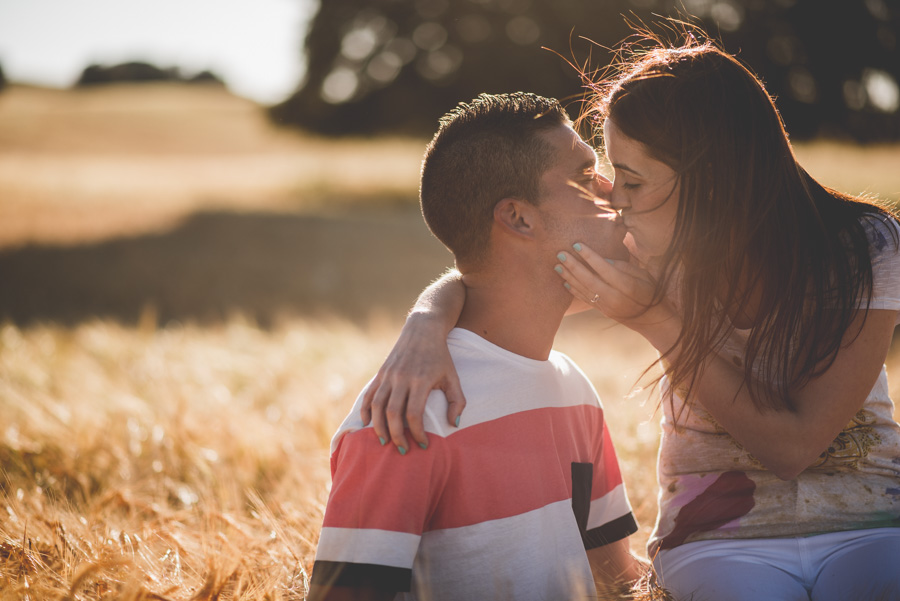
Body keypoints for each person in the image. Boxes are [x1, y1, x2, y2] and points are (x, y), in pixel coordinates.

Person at [360, 33, 900, 601]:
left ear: (712, 177)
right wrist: (425, 321)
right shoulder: (657, 248)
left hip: (867, 523)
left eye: (632, 180)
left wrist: (657, 319)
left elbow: (795, 447)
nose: (614, 198)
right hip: (716, 538)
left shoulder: (862, 248)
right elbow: (500, 272)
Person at [308, 92, 647, 601]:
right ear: (519, 218)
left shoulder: (573, 388)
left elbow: (618, 579)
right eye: (585, 177)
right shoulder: (406, 414)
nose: (614, 191)